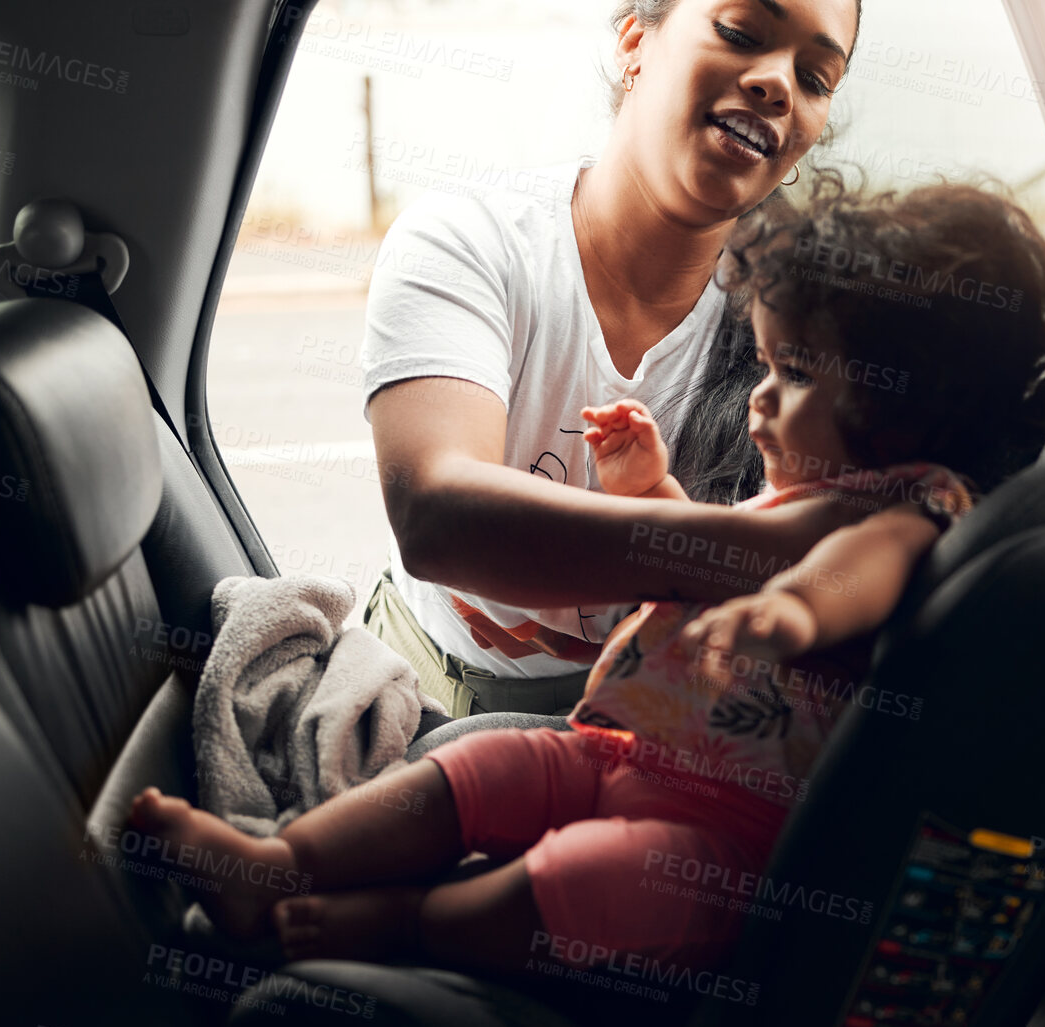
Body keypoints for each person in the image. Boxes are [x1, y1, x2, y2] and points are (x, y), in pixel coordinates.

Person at [130, 175, 1045, 977]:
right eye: (764, 363)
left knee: (580, 880)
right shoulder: (807, 496)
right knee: (469, 770)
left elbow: (862, 571)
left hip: (728, 843)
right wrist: (653, 486)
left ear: (910, 410)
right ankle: (280, 862)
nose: (759, 395)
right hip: (622, 756)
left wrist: (795, 615)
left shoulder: (907, 507)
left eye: (796, 373)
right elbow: (711, 555)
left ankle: (398, 924)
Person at [358, 0, 871, 720]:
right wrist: (759, 548)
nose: (778, 84)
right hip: (425, 704)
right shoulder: (467, 243)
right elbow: (436, 513)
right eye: (740, 33)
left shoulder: (798, 324)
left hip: (652, 725)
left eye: (816, 77)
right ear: (635, 41)